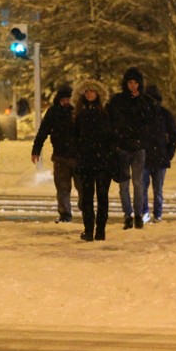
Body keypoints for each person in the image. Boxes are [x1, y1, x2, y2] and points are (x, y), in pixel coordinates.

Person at [106, 66, 155, 230]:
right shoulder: (118, 101)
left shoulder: (145, 101)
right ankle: (128, 215)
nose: (133, 86)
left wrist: (140, 101)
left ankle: (138, 215)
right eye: (130, 82)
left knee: (138, 183)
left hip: (138, 147)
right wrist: (115, 142)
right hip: (123, 147)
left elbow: (150, 120)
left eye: (135, 83)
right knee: (124, 185)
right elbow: (111, 122)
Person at [73, 79, 116, 242]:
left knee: (102, 197)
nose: (90, 94)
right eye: (87, 91)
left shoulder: (105, 113)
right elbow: (76, 137)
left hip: (102, 161)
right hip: (87, 162)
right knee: (87, 198)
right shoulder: (80, 114)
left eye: (93, 91)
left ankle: (100, 230)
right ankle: (89, 229)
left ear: (98, 94)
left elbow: (112, 136)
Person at [31, 85, 79, 223]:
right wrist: (36, 149)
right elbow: (43, 131)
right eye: (63, 100)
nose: (65, 102)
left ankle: (85, 208)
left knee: (82, 187)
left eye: (68, 99)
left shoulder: (78, 112)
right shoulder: (53, 112)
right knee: (62, 188)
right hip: (60, 156)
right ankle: (65, 214)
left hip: (78, 156)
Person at [141, 84, 176, 223]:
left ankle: (154, 214)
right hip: (150, 157)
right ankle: (152, 214)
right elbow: (174, 133)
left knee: (152, 189)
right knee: (150, 190)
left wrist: (169, 152)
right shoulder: (156, 114)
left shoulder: (163, 114)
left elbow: (174, 133)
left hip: (156, 157)